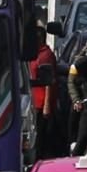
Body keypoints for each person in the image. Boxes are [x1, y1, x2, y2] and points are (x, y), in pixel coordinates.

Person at [29, 24, 57, 158]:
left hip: (40, 102)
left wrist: (47, 105)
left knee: (42, 135)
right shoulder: (33, 54)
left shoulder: (45, 55)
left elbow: (49, 82)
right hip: (32, 100)